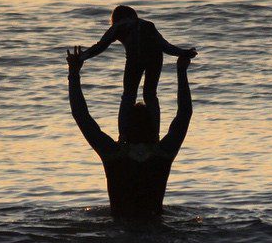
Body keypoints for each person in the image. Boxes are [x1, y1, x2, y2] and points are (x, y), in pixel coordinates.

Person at [67, 46, 194, 219]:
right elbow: (184, 113)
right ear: (153, 127)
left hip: (121, 228)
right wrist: (181, 70)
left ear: (124, 128)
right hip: (155, 228)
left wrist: (74, 73)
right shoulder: (163, 154)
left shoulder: (113, 154)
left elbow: (81, 115)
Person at [76, 5, 196, 138]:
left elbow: (100, 46)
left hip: (135, 58)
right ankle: (154, 134)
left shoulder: (119, 26)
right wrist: (184, 52)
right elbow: (165, 46)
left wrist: (82, 57)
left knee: (128, 96)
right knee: (150, 95)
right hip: (155, 56)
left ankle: (123, 136)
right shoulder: (148, 25)